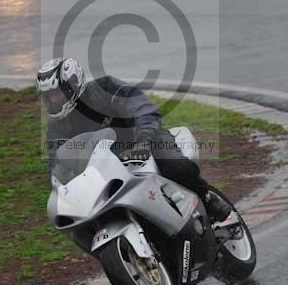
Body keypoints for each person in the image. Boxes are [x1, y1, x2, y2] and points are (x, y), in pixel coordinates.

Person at [37, 57, 231, 222]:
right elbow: (56, 163)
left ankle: (207, 199)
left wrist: (144, 140)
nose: (53, 101)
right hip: (105, 169)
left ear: (72, 84)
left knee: (174, 165)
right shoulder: (55, 127)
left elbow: (142, 108)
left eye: (56, 94)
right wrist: (63, 189)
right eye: (48, 97)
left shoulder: (104, 88)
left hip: (143, 142)